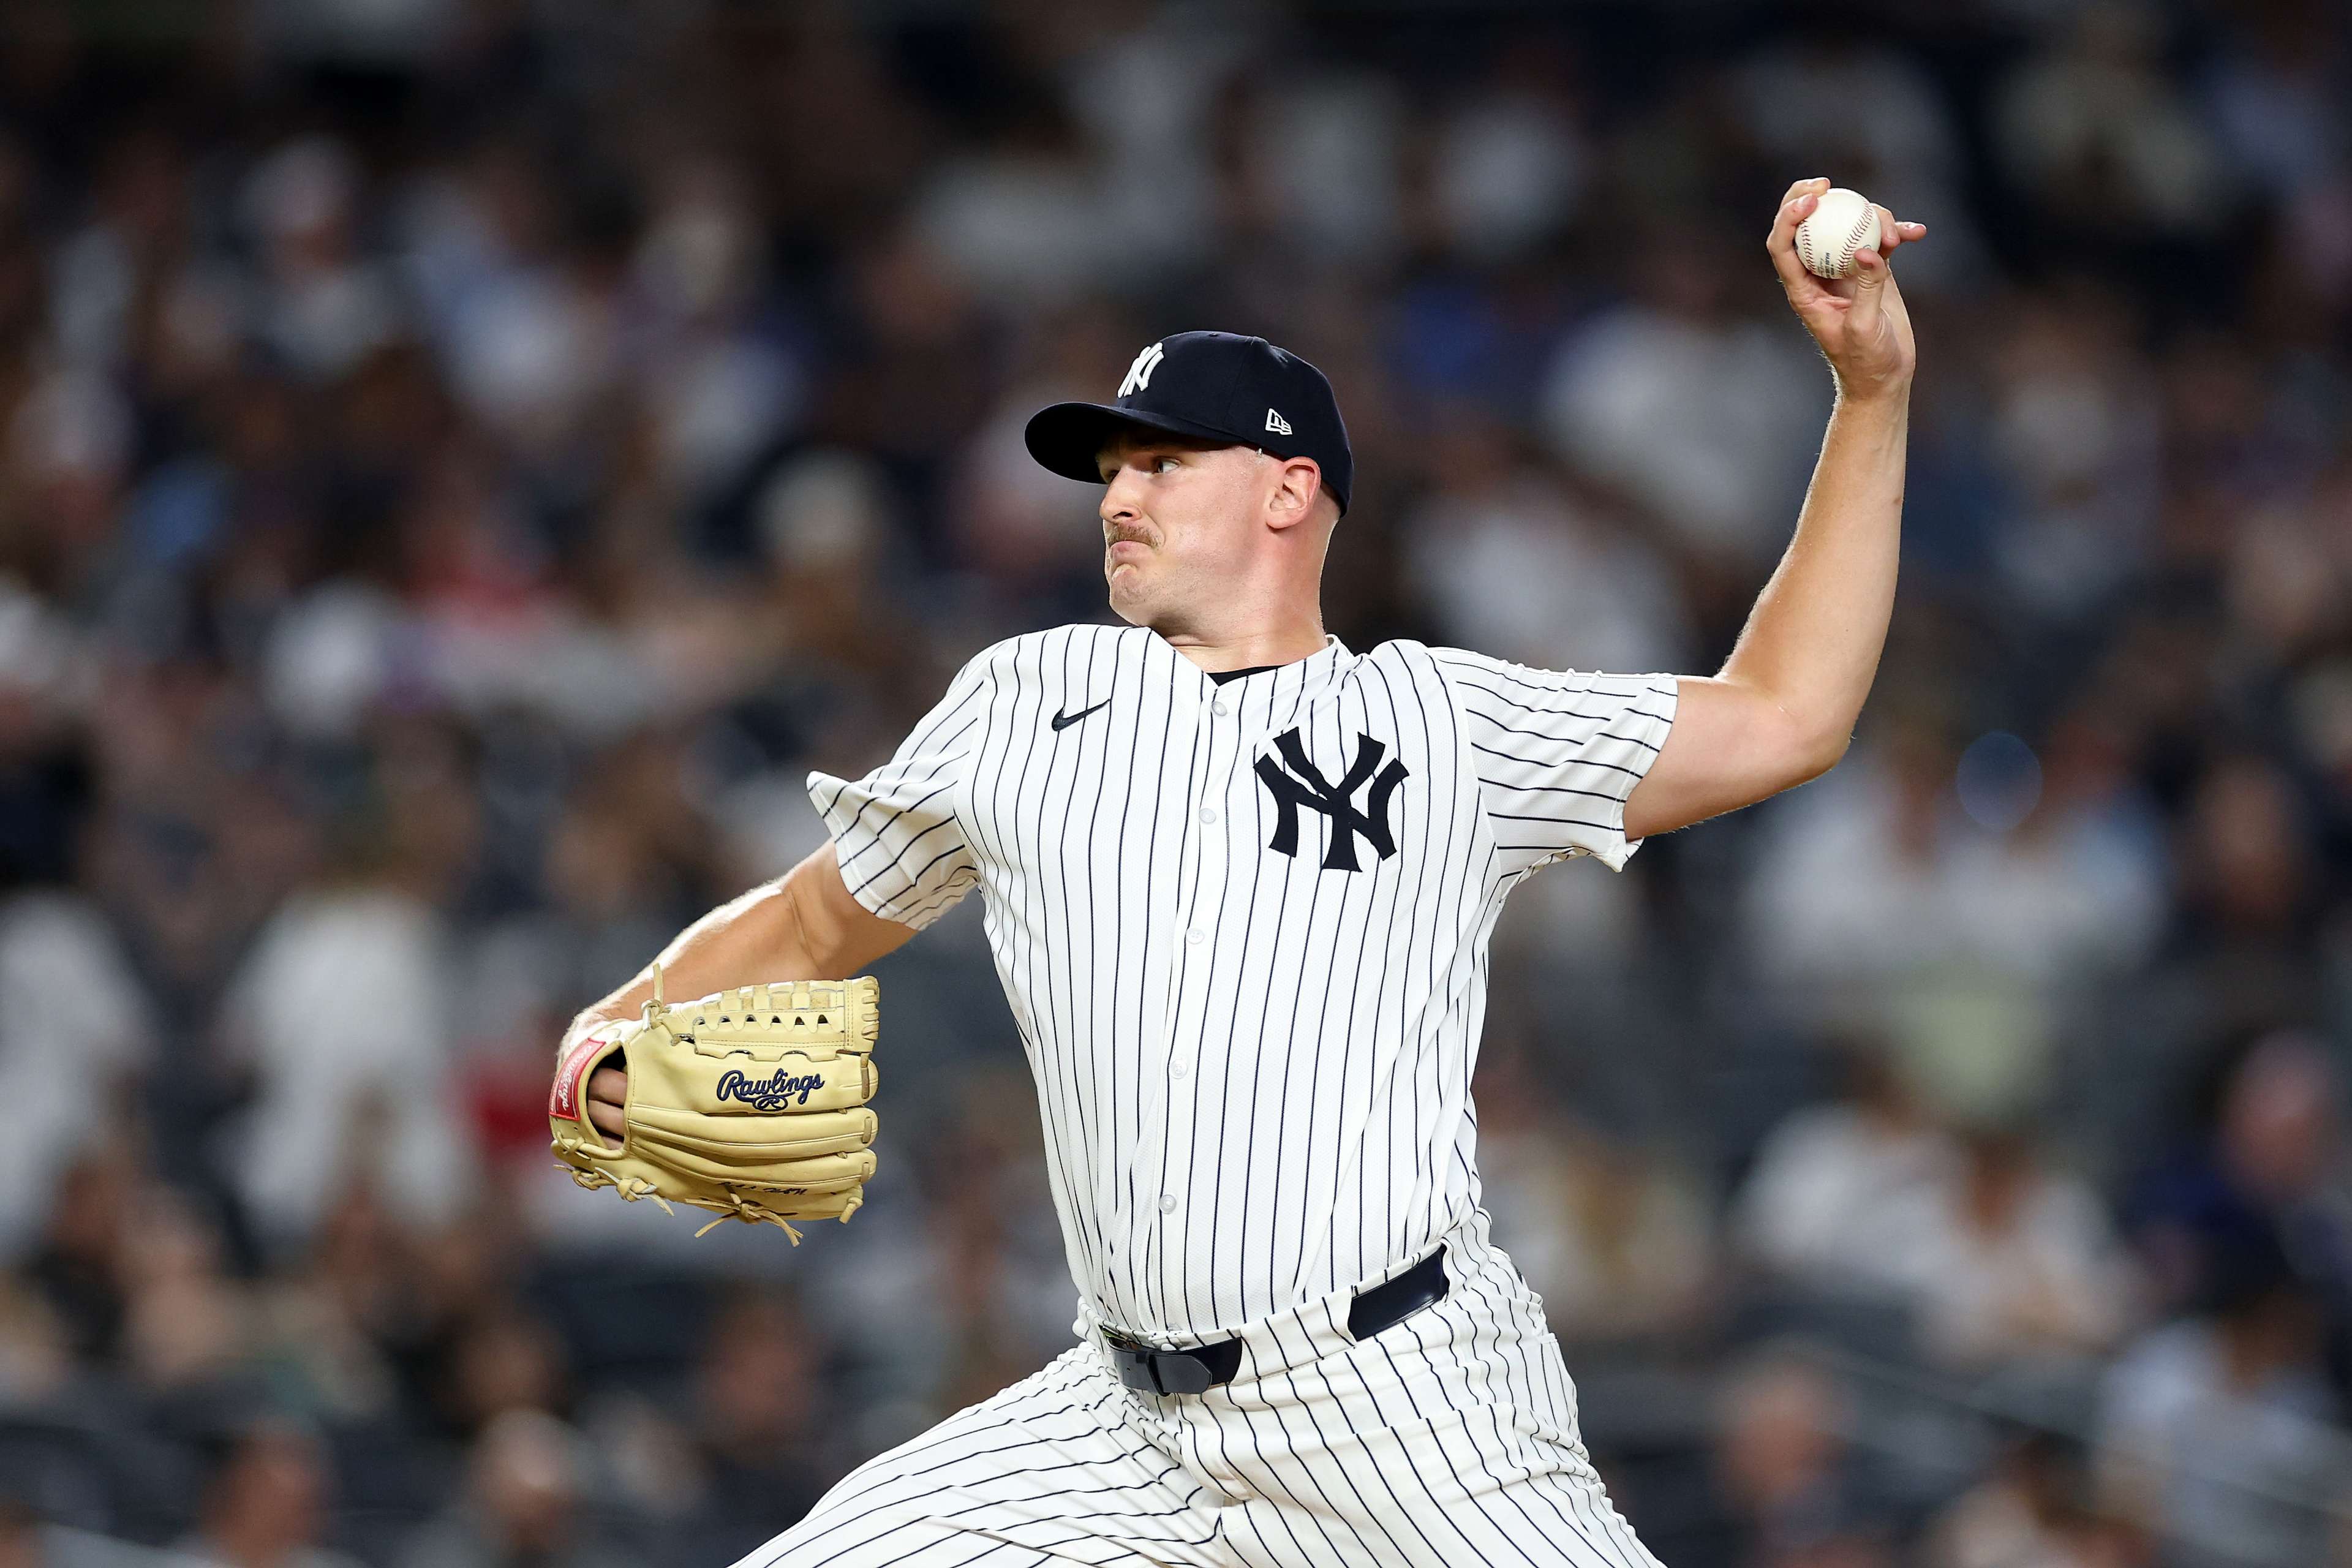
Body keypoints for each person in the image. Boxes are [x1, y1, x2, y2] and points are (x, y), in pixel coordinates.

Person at [559, 178, 1926, 1567]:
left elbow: (1787, 714)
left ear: (1288, 490)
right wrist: (621, 1020)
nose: (1119, 497)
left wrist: (1870, 394)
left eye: (1162, 464)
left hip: (1403, 1405)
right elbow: (807, 920)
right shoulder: (1023, 698)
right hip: (1116, 1424)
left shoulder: (1443, 722)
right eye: (1110, 472)